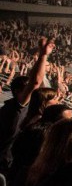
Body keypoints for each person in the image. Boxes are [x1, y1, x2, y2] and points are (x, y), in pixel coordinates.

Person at [0, 37, 54, 172]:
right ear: (18, 92)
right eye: (27, 89)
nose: (32, 92)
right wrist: (43, 56)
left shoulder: (14, 108)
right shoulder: (14, 110)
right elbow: (35, 82)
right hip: (7, 167)